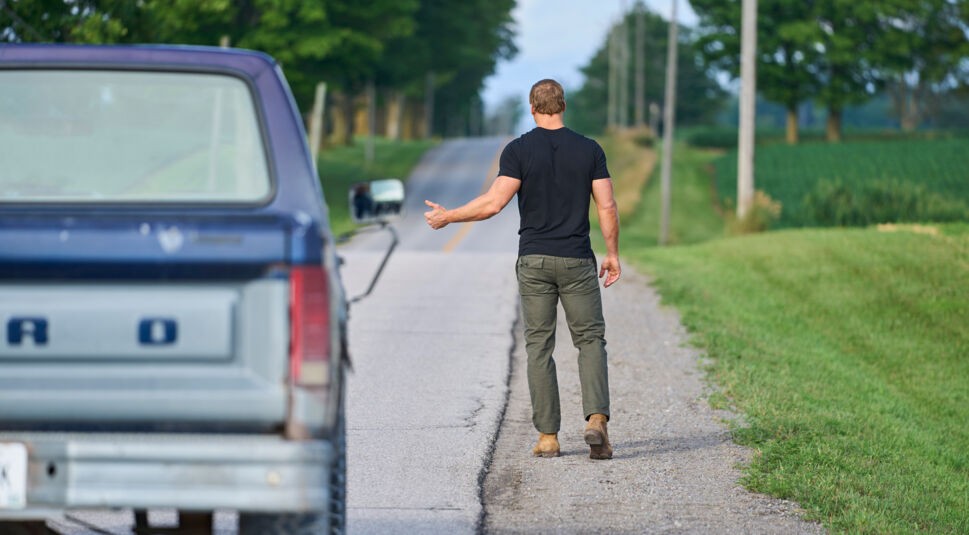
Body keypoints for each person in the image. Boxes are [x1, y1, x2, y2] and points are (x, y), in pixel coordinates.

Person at [423, 79, 620, 460]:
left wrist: (449, 217)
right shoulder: (590, 150)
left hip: (534, 262)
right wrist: (612, 253)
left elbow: (494, 203)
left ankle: (548, 437)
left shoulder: (519, 150)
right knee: (590, 341)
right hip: (578, 259)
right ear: (563, 106)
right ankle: (596, 419)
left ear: (532, 108)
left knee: (538, 347)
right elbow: (607, 206)